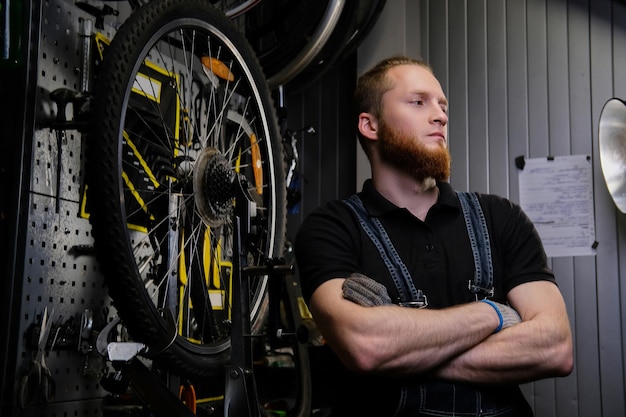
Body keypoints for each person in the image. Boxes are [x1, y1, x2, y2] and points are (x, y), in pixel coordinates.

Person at [294, 55, 573, 416]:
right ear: (370, 125)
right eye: (418, 102)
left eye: (442, 105)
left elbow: (555, 347)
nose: (440, 115)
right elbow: (365, 346)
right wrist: (494, 314)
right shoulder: (331, 228)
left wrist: (402, 349)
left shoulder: (501, 218)